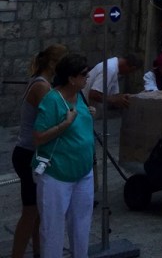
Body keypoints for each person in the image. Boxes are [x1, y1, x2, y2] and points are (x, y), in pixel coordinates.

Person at [32, 53, 95, 258]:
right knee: (53, 229)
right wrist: (65, 124)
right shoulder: (52, 100)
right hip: (57, 174)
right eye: (84, 74)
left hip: (83, 171)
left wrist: (89, 112)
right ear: (71, 78)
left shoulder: (80, 95)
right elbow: (39, 136)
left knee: (82, 225)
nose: (88, 77)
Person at [11, 43, 68, 258]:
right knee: (30, 211)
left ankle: (37, 252)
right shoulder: (42, 87)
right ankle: (18, 253)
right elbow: (55, 116)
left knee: (37, 213)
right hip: (28, 154)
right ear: (54, 64)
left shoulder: (42, 83)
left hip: (29, 152)